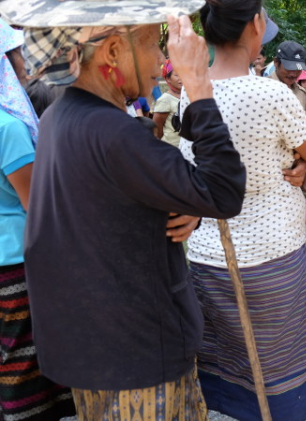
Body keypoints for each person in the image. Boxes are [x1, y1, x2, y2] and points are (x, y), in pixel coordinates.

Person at [5, 0, 249, 416]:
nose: (161, 61)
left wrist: (179, 202)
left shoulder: (62, 117)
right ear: (113, 51)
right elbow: (225, 193)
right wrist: (199, 85)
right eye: (154, 45)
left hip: (102, 350)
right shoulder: (111, 131)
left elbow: (106, 212)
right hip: (136, 358)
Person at [180, 2, 306, 419]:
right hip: (271, 255)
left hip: (208, 254)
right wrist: (300, 162)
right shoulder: (271, 93)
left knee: (224, 355)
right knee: (279, 364)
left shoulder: (193, 93)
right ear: (256, 26)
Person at [0, 20, 76, 421]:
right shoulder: (8, 128)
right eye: (18, 56)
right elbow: (37, 206)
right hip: (14, 263)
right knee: (23, 374)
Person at [270, 40, 306, 109]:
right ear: (276, 62)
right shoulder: (263, 89)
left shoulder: (302, 93)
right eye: (289, 68)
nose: (294, 74)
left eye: (298, 69)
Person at [153, 59, 182, 147]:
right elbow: (157, 130)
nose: (181, 78)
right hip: (172, 148)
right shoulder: (165, 100)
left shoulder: (188, 96)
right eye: (177, 75)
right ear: (168, 79)